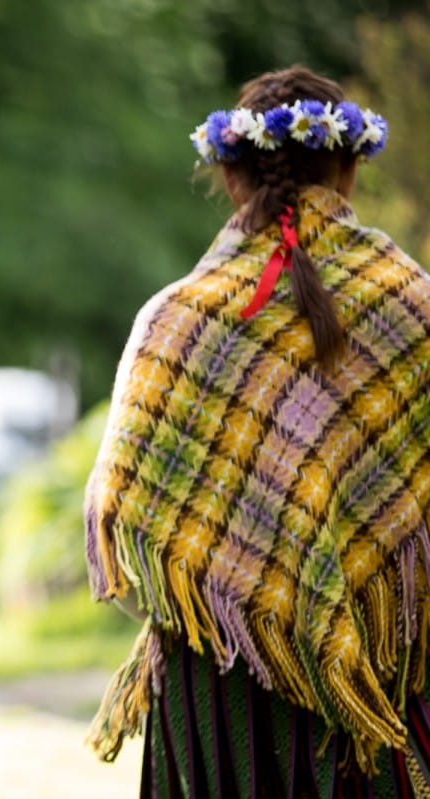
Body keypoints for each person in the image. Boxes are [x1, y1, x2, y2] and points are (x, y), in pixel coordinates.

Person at [83, 64, 430, 795]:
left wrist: (232, 578)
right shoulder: (413, 305)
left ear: (231, 175)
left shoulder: (175, 318)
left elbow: (122, 501)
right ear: (349, 166)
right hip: (378, 672)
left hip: (222, 684)